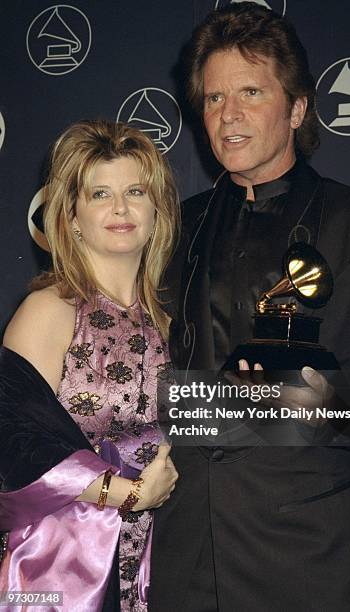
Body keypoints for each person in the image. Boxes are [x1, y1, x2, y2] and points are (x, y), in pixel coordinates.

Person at [149, 4, 350, 612]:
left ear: (296, 108)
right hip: (188, 549)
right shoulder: (172, 227)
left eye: (251, 92)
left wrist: (315, 405)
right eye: (214, 99)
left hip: (311, 552)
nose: (229, 115)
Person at [0, 119, 180, 611]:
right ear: (73, 216)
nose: (121, 208)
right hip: (62, 570)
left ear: (157, 209)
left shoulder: (174, 320)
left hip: (162, 561)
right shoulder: (51, 309)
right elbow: (12, 442)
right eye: (101, 194)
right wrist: (123, 493)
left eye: (136, 191)